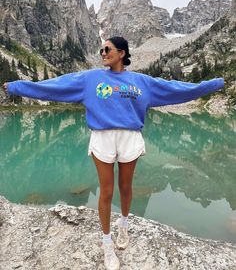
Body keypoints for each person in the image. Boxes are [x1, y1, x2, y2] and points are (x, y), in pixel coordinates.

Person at [2, 36, 224, 270]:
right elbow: (55, 86)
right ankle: (107, 245)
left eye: (107, 49)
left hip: (130, 138)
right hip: (102, 138)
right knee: (106, 191)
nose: (102, 53)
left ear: (122, 53)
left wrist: (212, 85)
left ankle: (124, 225)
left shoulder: (142, 82)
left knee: (126, 188)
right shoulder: (90, 79)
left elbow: (175, 89)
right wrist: (18, 86)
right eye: (101, 49)